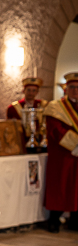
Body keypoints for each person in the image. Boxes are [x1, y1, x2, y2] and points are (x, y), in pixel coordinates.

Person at [43, 72, 78, 233]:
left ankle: (75, 220)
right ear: (66, 89)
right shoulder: (56, 107)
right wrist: (76, 145)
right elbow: (56, 131)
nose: (75, 90)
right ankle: (54, 220)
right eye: (72, 87)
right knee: (60, 187)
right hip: (63, 154)